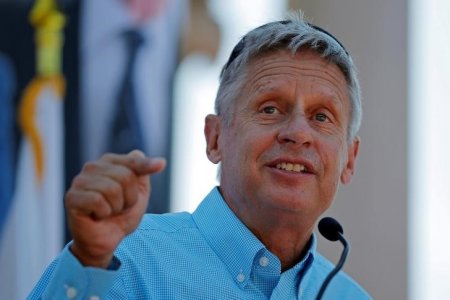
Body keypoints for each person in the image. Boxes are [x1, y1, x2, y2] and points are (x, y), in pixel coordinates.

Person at [28, 12, 371, 299]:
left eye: (322, 117)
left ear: (349, 159)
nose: (297, 133)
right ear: (215, 138)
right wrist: (88, 261)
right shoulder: (121, 261)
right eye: (269, 109)